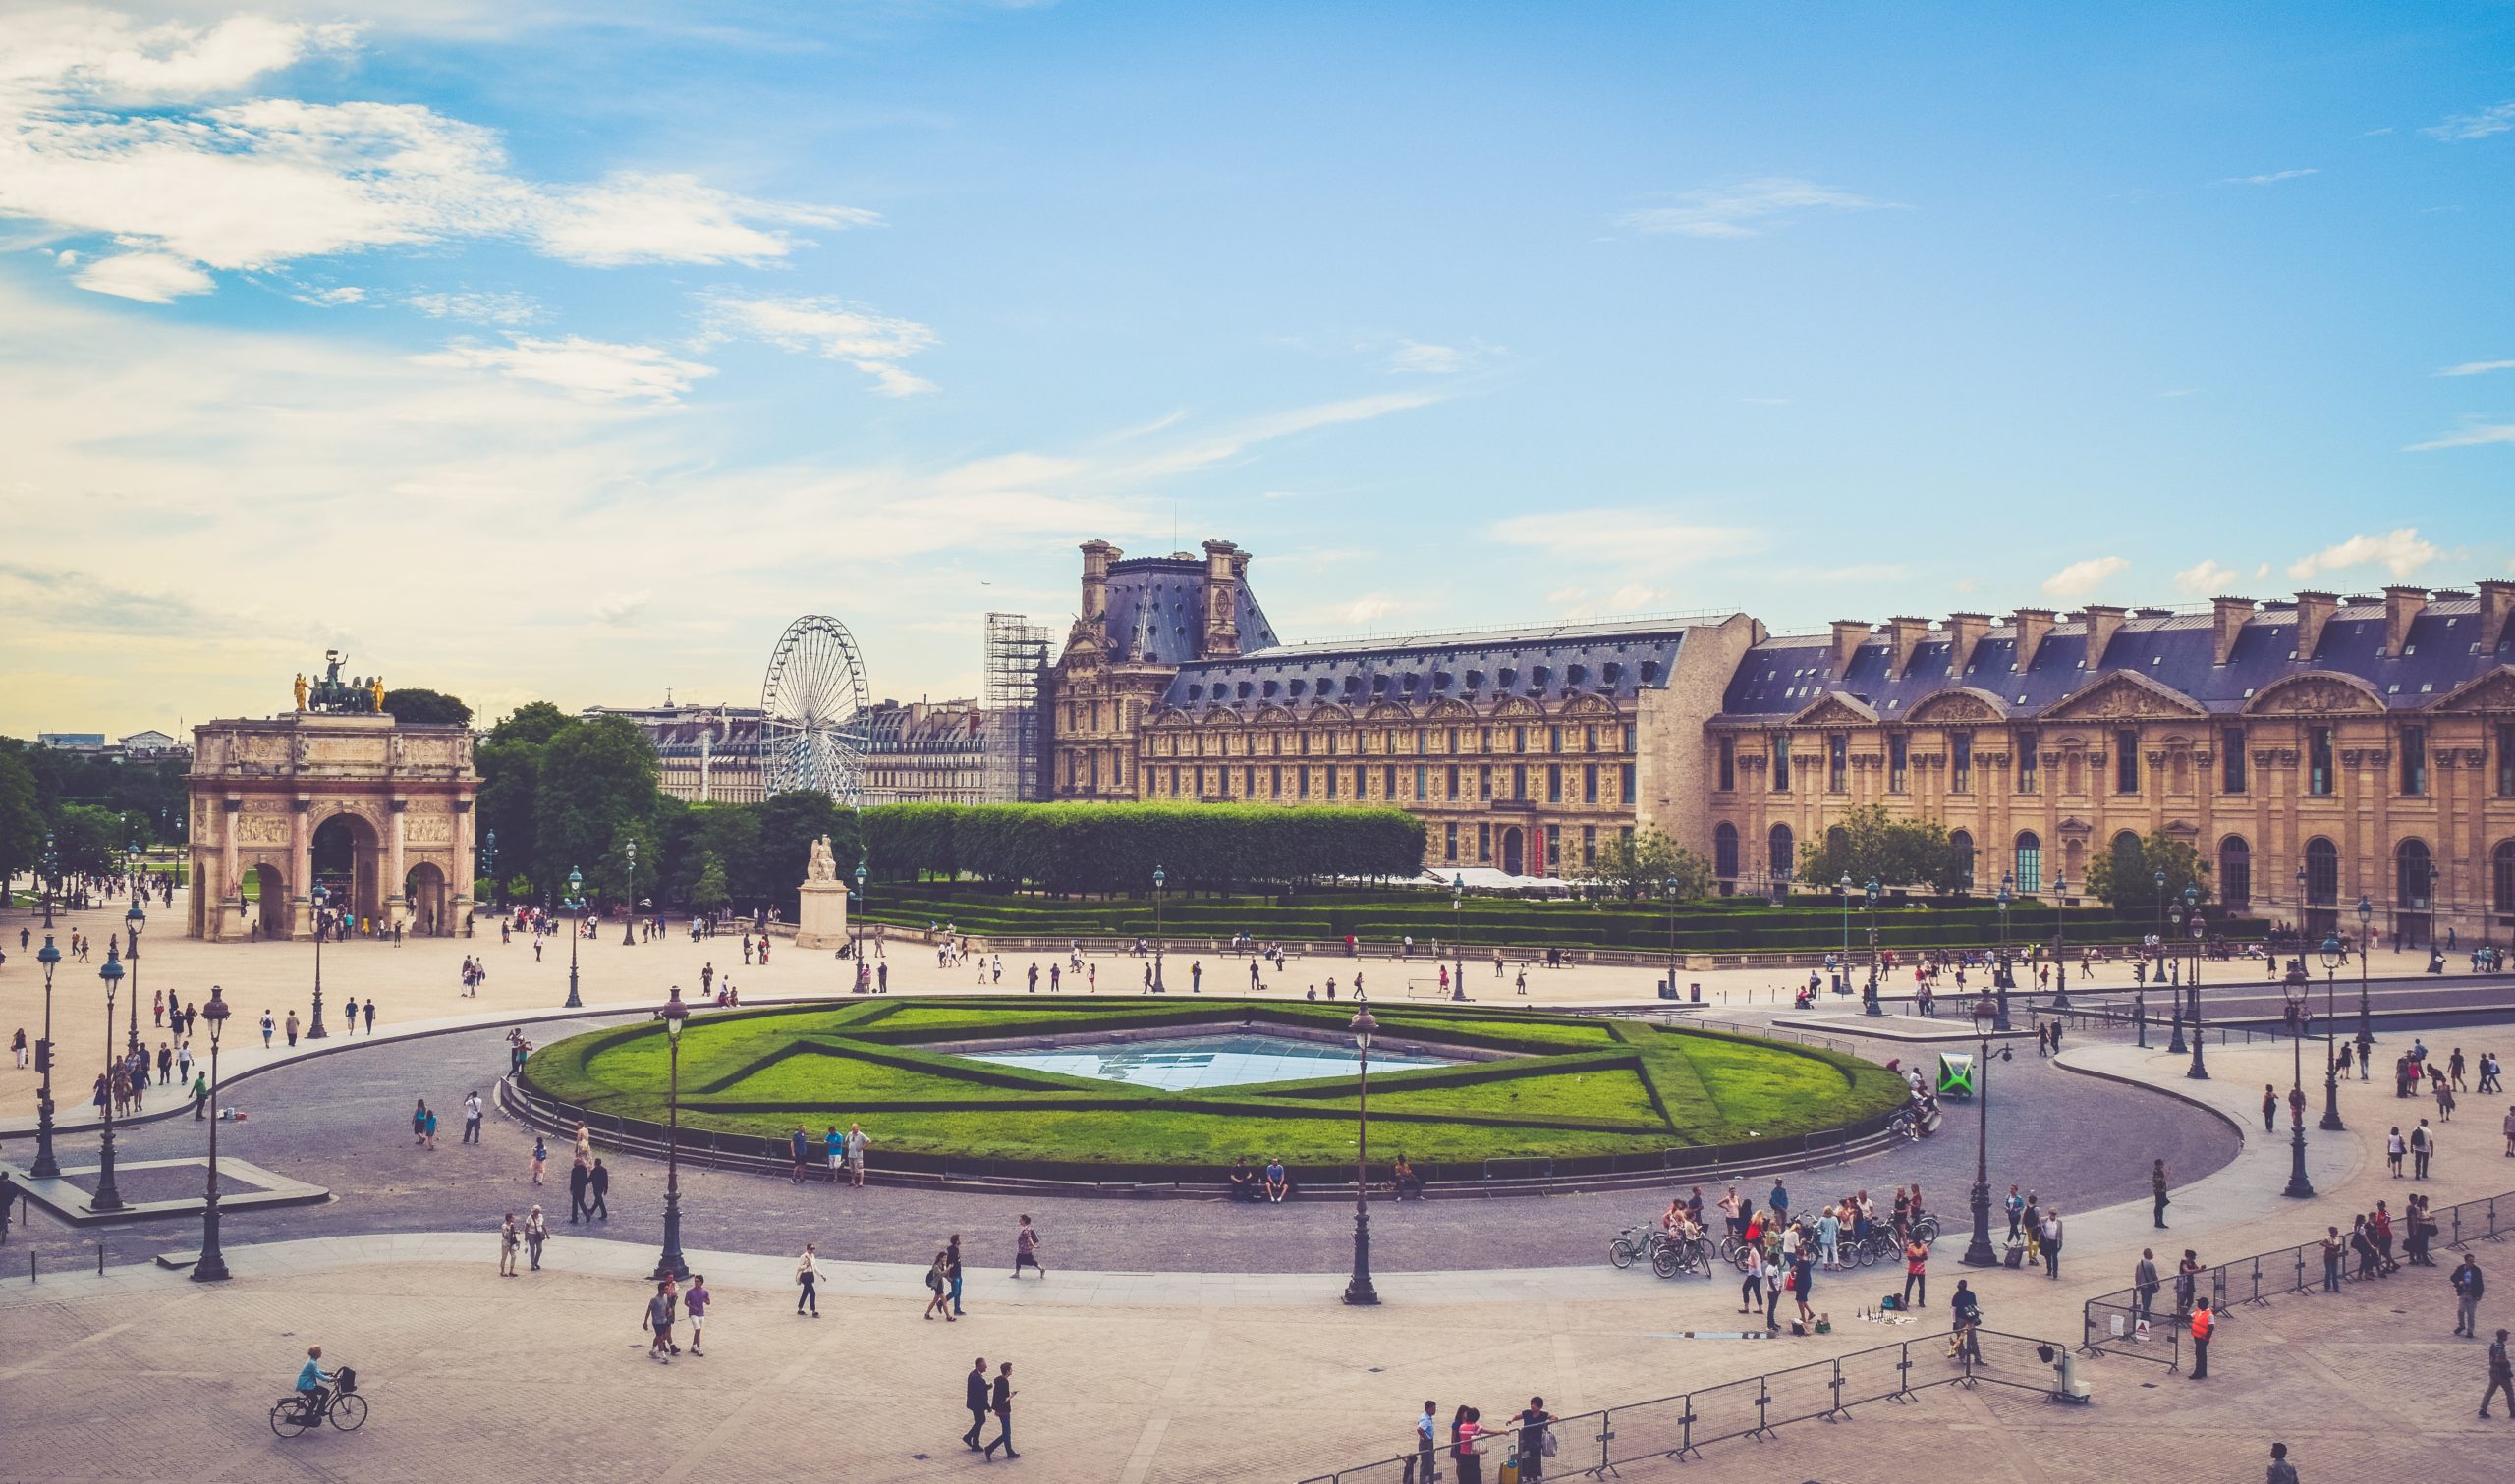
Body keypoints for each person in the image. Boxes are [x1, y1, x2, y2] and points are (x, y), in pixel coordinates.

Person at [980, 1360, 1018, 1460]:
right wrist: (1012, 1395)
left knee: (1006, 1432)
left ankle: (1009, 1451)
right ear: (1007, 1371)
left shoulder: (998, 1380)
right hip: (1004, 1410)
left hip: (999, 1409)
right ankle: (990, 1448)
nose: (1012, 1371)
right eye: (1011, 1369)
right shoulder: (1005, 1382)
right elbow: (1004, 1399)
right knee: (1006, 1433)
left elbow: (998, 1395)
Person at [1516, 1397, 1553, 1482]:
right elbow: (1517, 1416)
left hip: (1536, 1443)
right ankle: (1525, 1477)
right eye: (1531, 1404)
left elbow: (1553, 1417)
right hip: (1526, 1442)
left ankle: (1535, 1477)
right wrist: (1511, 1420)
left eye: (1534, 1405)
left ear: (1539, 1407)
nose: (1532, 1406)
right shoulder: (1527, 1413)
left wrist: (1551, 1420)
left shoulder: (1544, 1415)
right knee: (1525, 1458)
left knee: (1536, 1459)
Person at [292, 1346, 334, 1417]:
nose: (321, 1353)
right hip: (306, 1386)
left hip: (306, 1384)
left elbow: (316, 1370)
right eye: (320, 1352)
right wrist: (330, 1379)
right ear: (316, 1354)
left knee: (315, 1400)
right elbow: (319, 1375)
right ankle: (315, 1413)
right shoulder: (312, 1363)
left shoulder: (312, 1360)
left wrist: (327, 1373)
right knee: (325, 1392)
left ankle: (315, 1412)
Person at [1949, 1279, 1983, 1363]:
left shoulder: (1956, 1296)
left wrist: (1954, 1323)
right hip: (1968, 1319)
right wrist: (1976, 1317)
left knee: (1962, 1339)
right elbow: (1975, 1306)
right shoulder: (1971, 1294)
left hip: (1960, 1319)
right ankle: (1975, 1358)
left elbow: (1953, 1310)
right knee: (1971, 1339)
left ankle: (1965, 1357)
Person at [643, 1279, 678, 1363]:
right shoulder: (654, 1300)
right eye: (666, 1289)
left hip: (664, 1320)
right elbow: (649, 1311)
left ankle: (652, 1351)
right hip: (657, 1322)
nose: (667, 1290)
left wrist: (668, 1312)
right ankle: (664, 1357)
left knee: (661, 1336)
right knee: (660, 1338)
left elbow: (666, 1308)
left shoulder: (665, 1298)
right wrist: (645, 1322)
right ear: (661, 1290)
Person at [2485, 1328, 2515, 1419]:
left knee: (2489, 1392)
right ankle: (2513, 1411)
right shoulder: (2500, 1347)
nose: (2507, 1336)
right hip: (2501, 1374)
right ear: (2503, 1336)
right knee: (2509, 1392)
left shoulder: (2494, 1344)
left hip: (2493, 1372)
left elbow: (2492, 1358)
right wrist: (2505, 1361)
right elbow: (2498, 1359)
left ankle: (2482, 1409)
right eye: (2506, 1335)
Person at [1408, 1399, 1439, 1484]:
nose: (1435, 1410)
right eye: (1434, 1409)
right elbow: (1419, 1429)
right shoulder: (1425, 1419)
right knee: (1425, 1464)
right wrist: (1426, 1439)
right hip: (1426, 1443)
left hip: (1427, 1442)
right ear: (1428, 1409)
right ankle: (1423, 1482)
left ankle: (1428, 1481)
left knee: (1430, 1463)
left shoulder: (1426, 1416)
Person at [964, 1357, 992, 1450]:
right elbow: (981, 1394)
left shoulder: (974, 1375)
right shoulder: (976, 1378)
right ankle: (974, 1442)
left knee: (980, 1421)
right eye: (984, 1365)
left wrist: (987, 1386)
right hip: (977, 1404)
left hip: (974, 1403)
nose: (986, 1366)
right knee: (980, 1421)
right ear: (979, 1366)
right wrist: (988, 1406)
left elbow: (979, 1388)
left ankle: (970, 1438)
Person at [2454, 1254, 2486, 1338]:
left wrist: (2479, 1295)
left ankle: (2470, 1330)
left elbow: (2480, 1284)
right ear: (2466, 1261)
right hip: (2463, 1292)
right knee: (2460, 1310)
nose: (2472, 1263)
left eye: (2473, 1261)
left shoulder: (2476, 1270)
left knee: (2471, 1313)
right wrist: (2459, 1281)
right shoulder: (2460, 1268)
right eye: (2470, 1261)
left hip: (2472, 1294)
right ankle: (2461, 1325)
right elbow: (2453, 1277)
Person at [924, 1248, 956, 1321]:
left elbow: (942, 1274)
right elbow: (941, 1273)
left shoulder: (941, 1265)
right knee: (944, 1300)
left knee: (935, 1300)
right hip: (937, 1285)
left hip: (939, 1284)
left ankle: (927, 1314)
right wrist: (949, 1268)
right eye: (944, 1257)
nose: (946, 1259)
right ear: (940, 1258)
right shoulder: (936, 1266)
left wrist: (948, 1278)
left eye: (946, 1257)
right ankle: (948, 1316)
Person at [2188, 1296, 2213, 1380]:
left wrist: (2207, 1338)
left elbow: (2211, 1327)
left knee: (2199, 1355)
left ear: (2204, 1304)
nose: (2198, 1304)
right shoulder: (2198, 1311)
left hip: (2202, 1338)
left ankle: (2197, 1373)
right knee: (2202, 1355)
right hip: (2197, 1337)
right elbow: (2190, 1317)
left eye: (2199, 1303)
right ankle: (2203, 1372)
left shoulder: (2209, 1314)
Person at [2134, 1248, 2161, 1325]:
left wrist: (2137, 1284)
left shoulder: (2139, 1263)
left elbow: (2136, 1274)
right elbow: (2154, 1275)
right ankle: (2143, 1317)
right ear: (2148, 1255)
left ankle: (2146, 1314)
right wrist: (2158, 1283)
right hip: (2148, 1286)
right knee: (2147, 1302)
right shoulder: (2150, 1264)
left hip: (2141, 1285)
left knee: (2144, 1301)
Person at [1014, 1213, 1045, 1278]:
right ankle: (1017, 1273)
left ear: (1024, 1220)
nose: (1019, 1221)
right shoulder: (1028, 1227)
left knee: (1027, 1261)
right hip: (1024, 1248)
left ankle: (1042, 1269)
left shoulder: (1025, 1230)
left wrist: (1033, 1245)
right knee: (1021, 1260)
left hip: (1024, 1249)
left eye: (1020, 1220)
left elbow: (1029, 1238)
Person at [1903, 1234, 1928, 1309]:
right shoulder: (1911, 1247)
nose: (1916, 1242)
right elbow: (1910, 1258)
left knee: (1921, 1286)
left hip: (1919, 1270)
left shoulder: (1922, 1247)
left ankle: (1921, 1301)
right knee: (1909, 1286)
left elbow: (1925, 1257)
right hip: (1914, 1270)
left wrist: (1916, 1258)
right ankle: (1907, 1301)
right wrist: (1920, 1258)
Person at [2040, 1206, 2065, 1280]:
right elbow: (2040, 1227)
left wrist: (2060, 1243)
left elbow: (2060, 1233)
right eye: (2052, 1213)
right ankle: (2049, 1269)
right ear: (2049, 1213)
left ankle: (2055, 1273)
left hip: (2055, 1242)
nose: (2053, 1215)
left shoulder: (2059, 1222)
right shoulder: (2044, 1220)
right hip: (2047, 1241)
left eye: (2054, 1214)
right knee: (2048, 1256)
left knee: (2054, 1257)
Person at [846, 1122, 870, 1187]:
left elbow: (868, 1141)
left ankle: (860, 1182)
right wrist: (848, 1146)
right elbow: (846, 1141)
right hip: (850, 1155)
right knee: (852, 1169)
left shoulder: (860, 1135)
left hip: (858, 1156)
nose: (852, 1129)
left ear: (857, 1128)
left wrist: (862, 1147)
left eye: (854, 1128)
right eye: (852, 1128)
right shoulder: (850, 1134)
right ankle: (853, 1181)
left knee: (860, 1169)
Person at [524, 1205, 547, 1271]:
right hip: (531, 1234)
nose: (536, 1213)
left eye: (538, 1212)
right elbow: (526, 1228)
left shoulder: (541, 1216)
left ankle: (536, 1262)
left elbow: (542, 1224)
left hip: (539, 1235)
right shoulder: (529, 1218)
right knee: (533, 1249)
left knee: (540, 1249)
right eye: (535, 1212)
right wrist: (526, 1236)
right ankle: (533, 1264)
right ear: (533, 1211)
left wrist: (546, 1233)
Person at [497, 1212, 520, 1277]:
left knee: (514, 1256)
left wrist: (515, 1232)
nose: (513, 1218)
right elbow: (505, 1235)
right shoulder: (504, 1226)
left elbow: (512, 1232)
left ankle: (511, 1271)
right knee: (504, 1257)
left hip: (512, 1242)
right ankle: (502, 1271)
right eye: (512, 1217)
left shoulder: (512, 1224)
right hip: (506, 1243)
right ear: (509, 1218)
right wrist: (510, 1230)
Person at [2152, 1159, 2169, 1229]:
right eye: (2161, 1164)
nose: (2162, 1165)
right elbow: (2160, 1180)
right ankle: (2159, 1222)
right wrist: (2167, 1175)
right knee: (2159, 1207)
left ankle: (2158, 1222)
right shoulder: (2157, 1172)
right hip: (2160, 1191)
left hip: (2159, 1190)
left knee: (2158, 1206)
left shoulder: (2158, 1171)